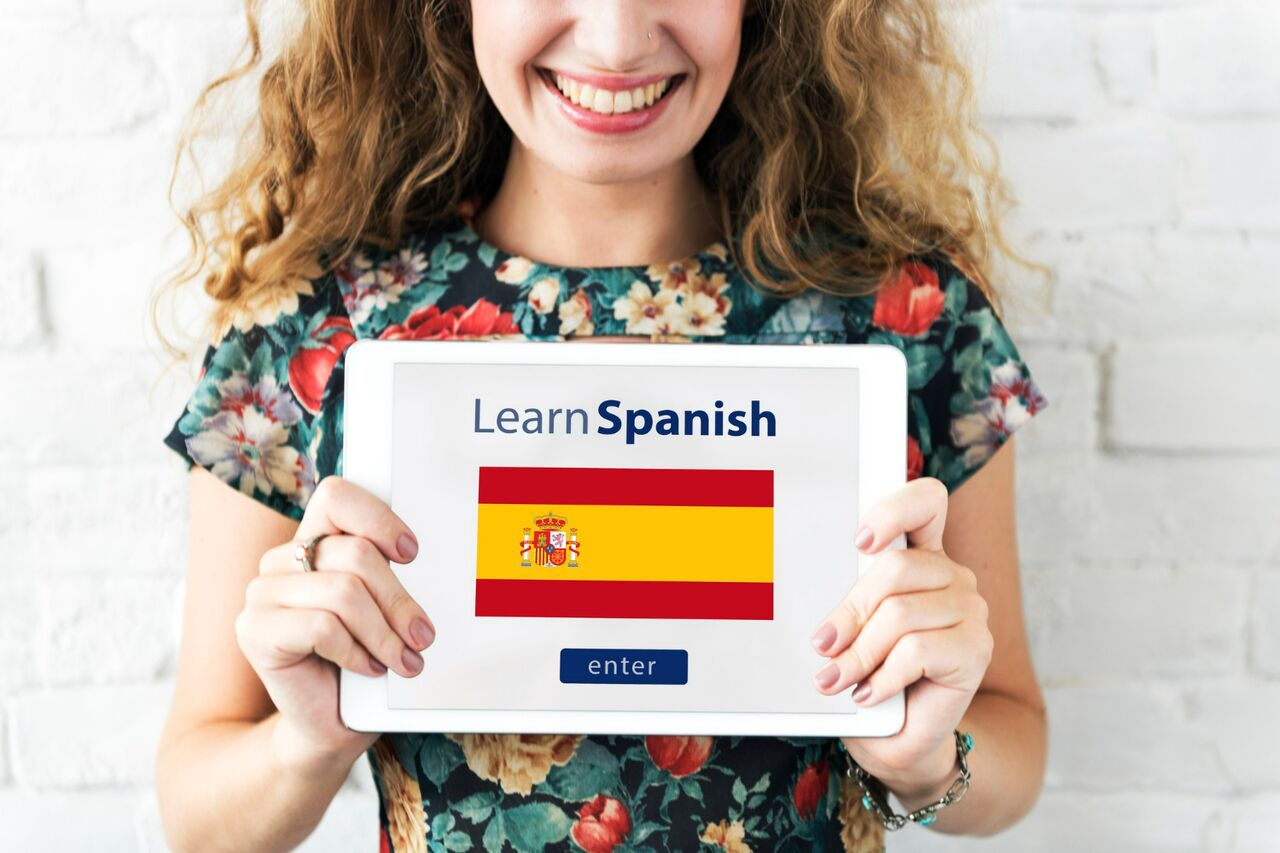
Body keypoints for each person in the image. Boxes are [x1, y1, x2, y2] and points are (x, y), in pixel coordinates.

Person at [150, 1, 1051, 851]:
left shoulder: (913, 315)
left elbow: (1015, 745)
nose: (617, 41)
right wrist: (307, 741)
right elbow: (197, 813)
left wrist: (924, 755)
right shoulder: (314, 328)